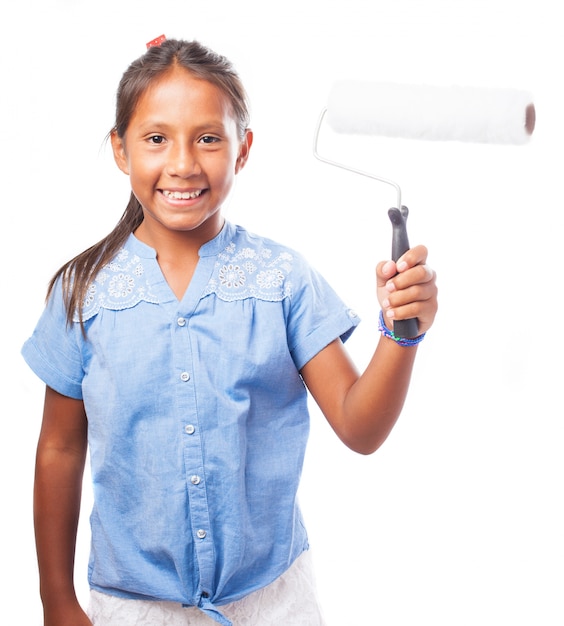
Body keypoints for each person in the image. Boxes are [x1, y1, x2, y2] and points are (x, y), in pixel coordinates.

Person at [22, 37, 438, 626]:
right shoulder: (82, 292)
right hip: (132, 608)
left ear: (243, 150)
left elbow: (360, 426)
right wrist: (56, 601)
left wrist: (401, 335)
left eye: (208, 138)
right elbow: (59, 448)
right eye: (157, 138)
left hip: (275, 602)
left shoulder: (283, 280)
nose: (184, 163)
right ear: (121, 149)